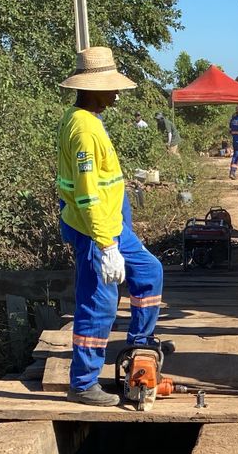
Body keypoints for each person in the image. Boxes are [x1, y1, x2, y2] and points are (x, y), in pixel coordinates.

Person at [55, 46, 165, 407]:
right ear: (90, 89)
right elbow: (86, 194)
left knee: (149, 271)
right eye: (110, 87)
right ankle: (83, 383)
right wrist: (104, 245)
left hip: (114, 223)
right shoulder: (84, 129)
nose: (116, 94)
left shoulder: (89, 120)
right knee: (99, 303)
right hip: (96, 229)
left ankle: (139, 342)